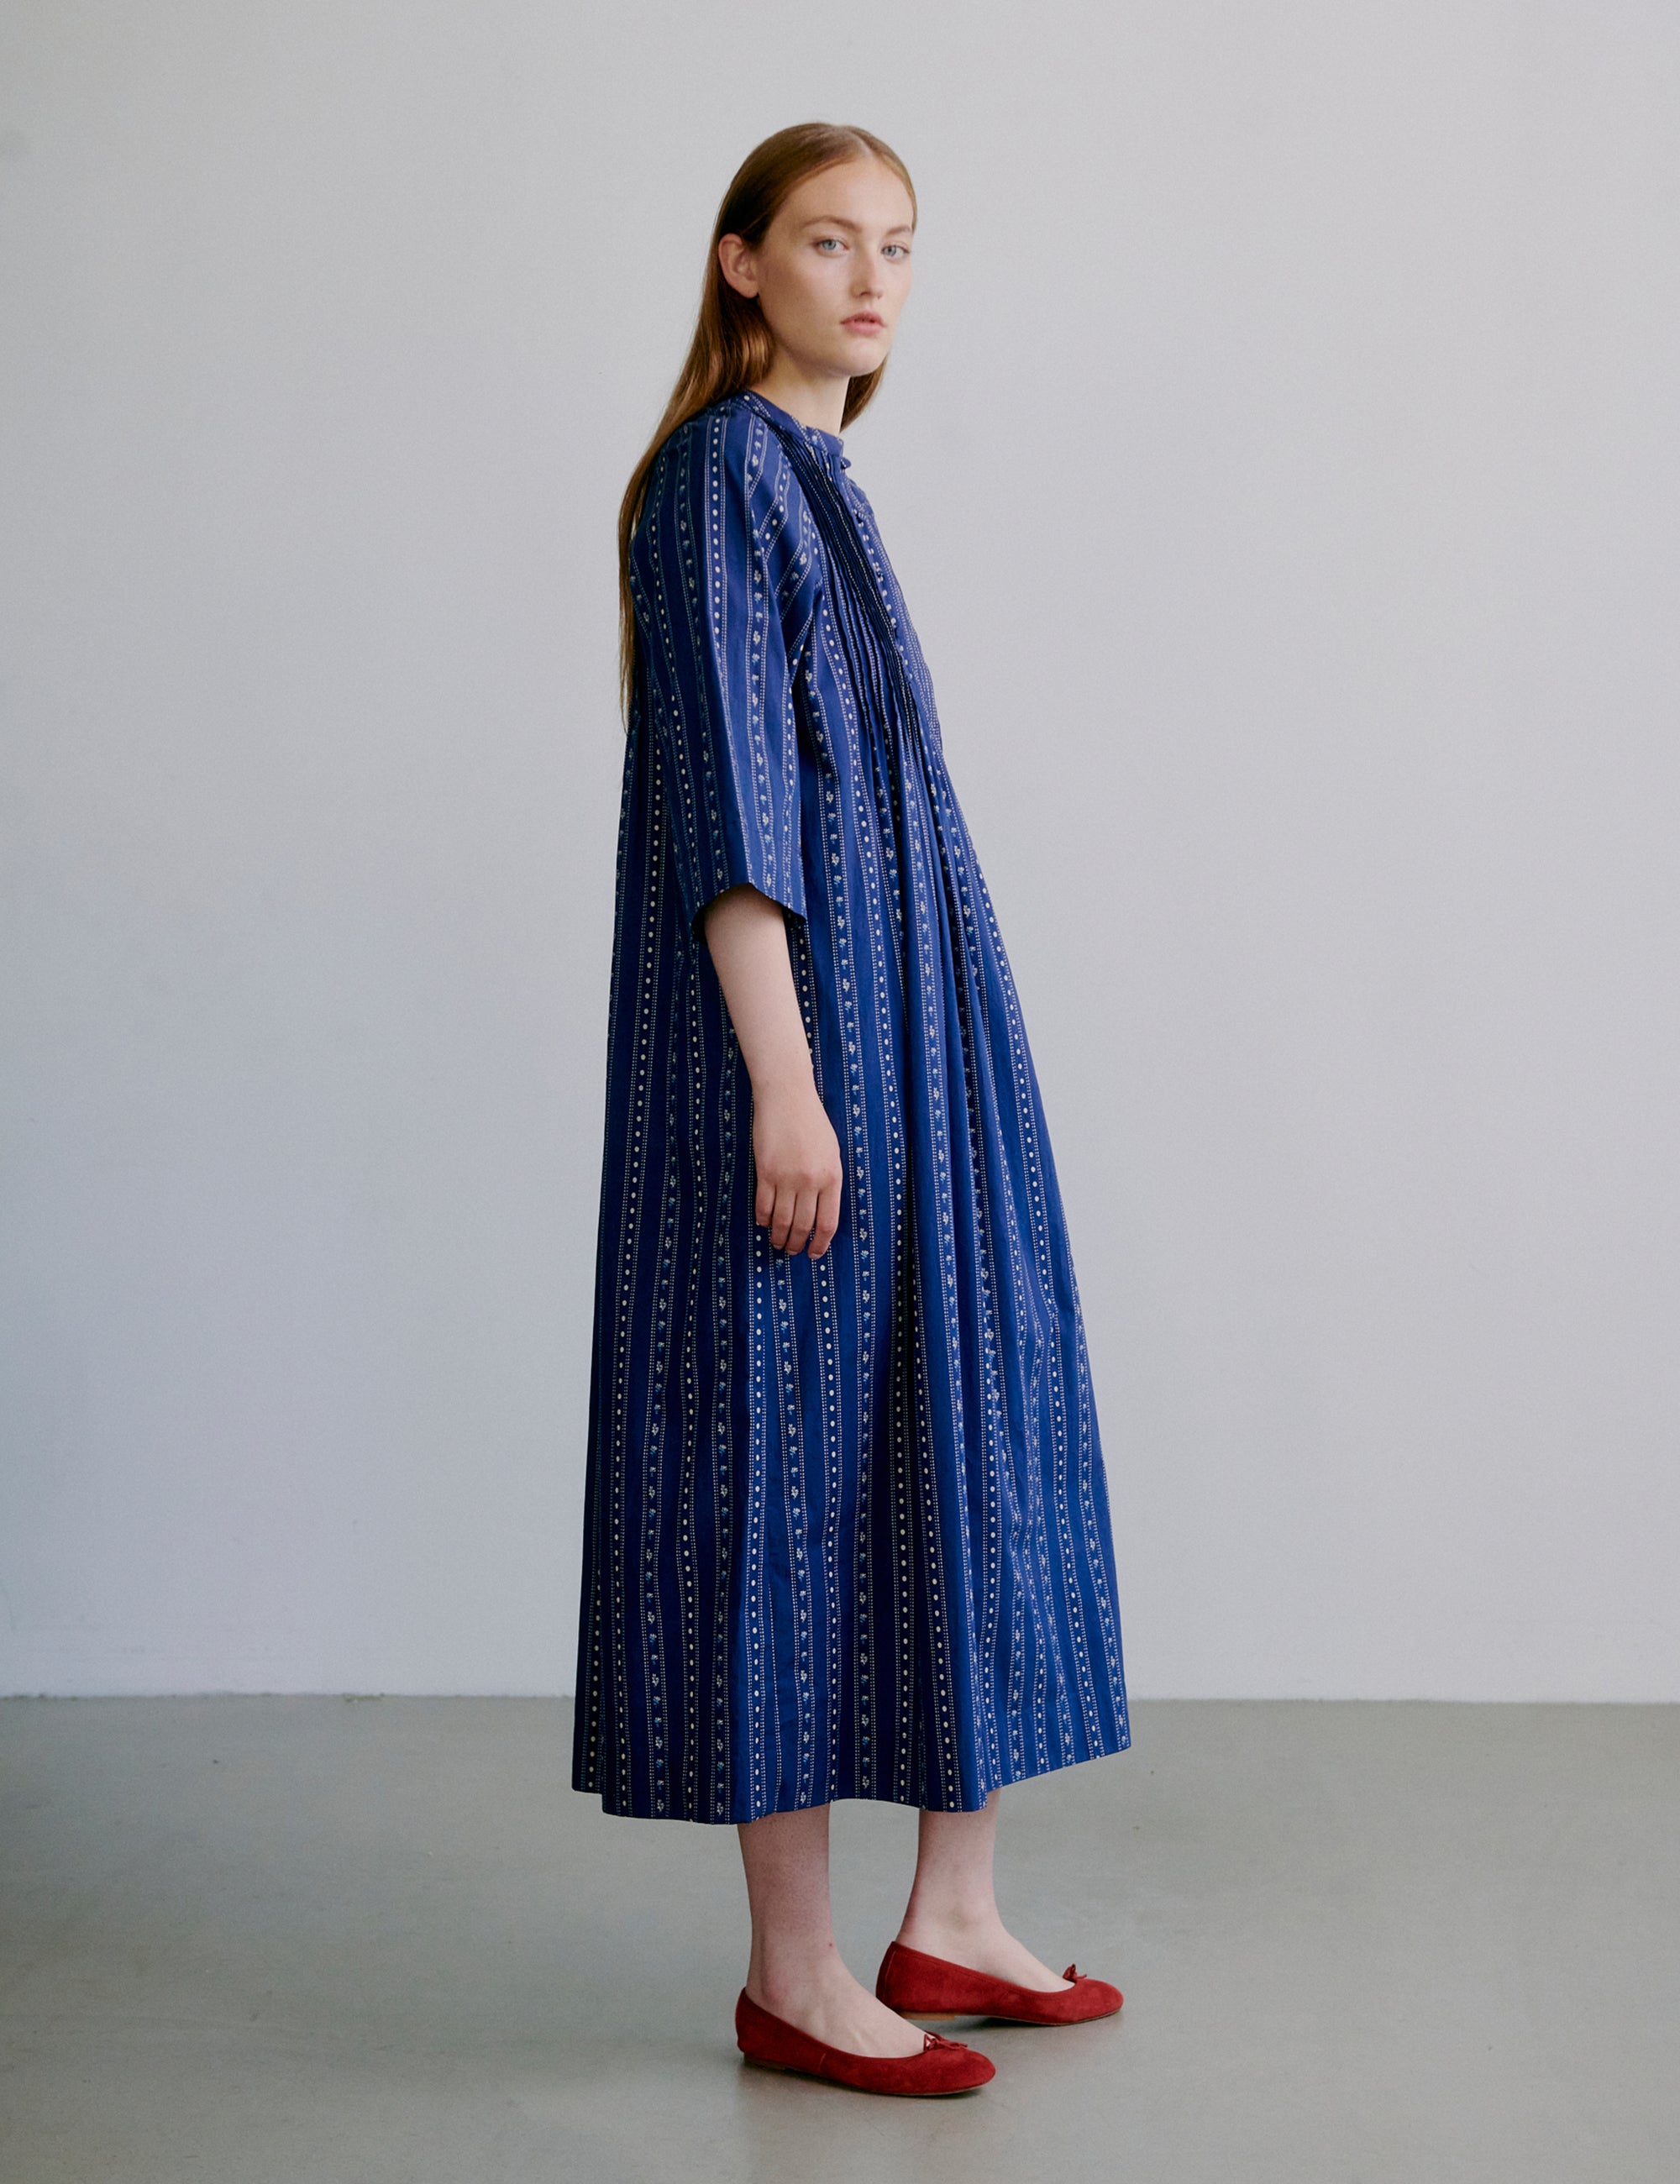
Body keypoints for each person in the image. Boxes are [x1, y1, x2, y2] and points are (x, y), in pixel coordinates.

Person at [572, 120, 1131, 2097]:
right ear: (740, 263)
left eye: (897, 242)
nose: (871, 277)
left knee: (954, 1425)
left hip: (921, 1039)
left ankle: (951, 1912)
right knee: (784, 1471)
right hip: (809, 1047)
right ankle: (795, 1971)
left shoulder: (819, 480)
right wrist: (784, 1084)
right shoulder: (723, 475)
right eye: (826, 240)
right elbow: (732, 811)